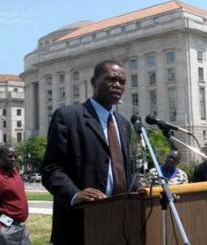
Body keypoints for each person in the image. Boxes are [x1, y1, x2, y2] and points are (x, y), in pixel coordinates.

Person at [41, 60, 141, 245]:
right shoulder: (68, 117)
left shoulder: (124, 124)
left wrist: (140, 188)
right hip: (79, 224)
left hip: (121, 222)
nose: (117, 85)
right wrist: (75, 194)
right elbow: (51, 169)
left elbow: (126, 171)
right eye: (111, 79)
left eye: (122, 81)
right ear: (94, 82)